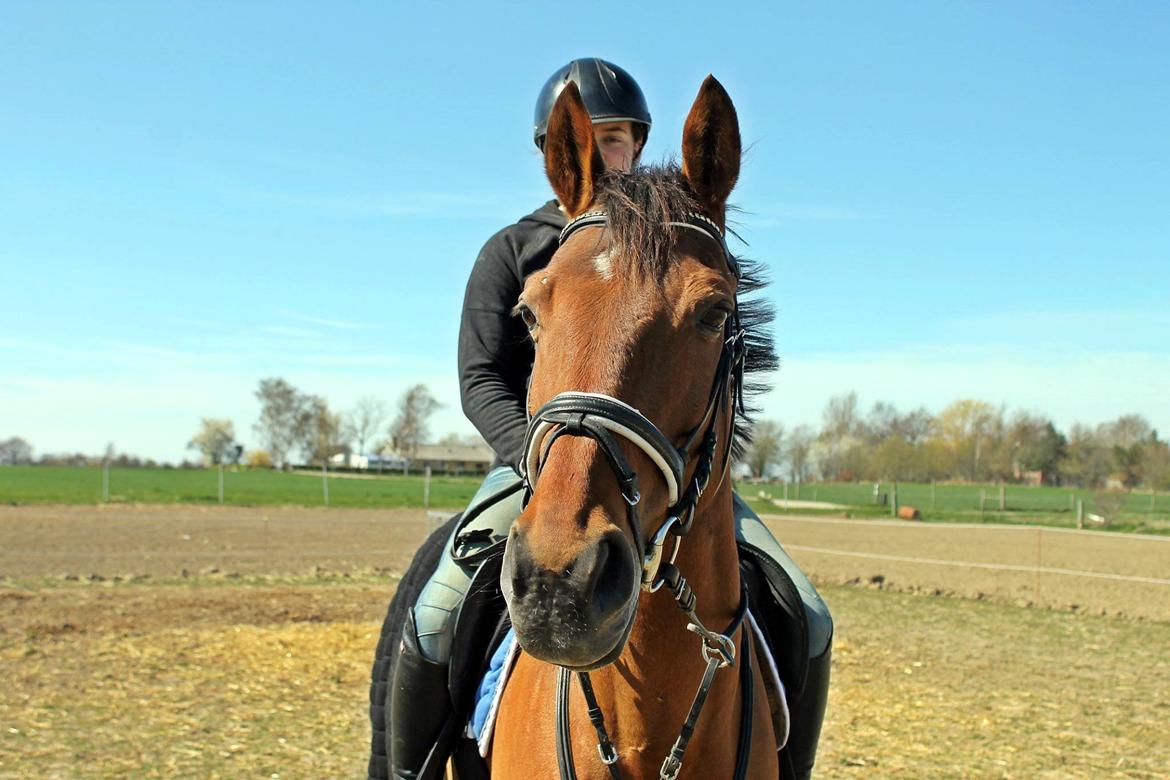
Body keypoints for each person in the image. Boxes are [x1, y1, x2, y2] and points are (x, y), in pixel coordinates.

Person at [386, 58, 832, 780]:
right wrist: (536, 461)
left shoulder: (677, 242)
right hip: (536, 468)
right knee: (436, 614)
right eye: (590, 139)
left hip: (672, 472)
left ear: (639, 143)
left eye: (620, 138)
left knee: (806, 615)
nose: (608, 152)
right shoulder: (511, 251)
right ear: (560, 154)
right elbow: (480, 379)